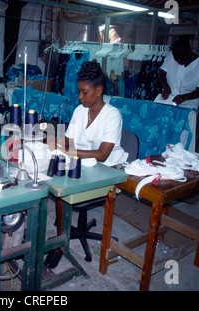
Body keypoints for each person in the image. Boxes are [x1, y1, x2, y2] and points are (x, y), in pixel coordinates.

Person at [44, 59, 127, 269]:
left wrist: (66, 149)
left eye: (84, 92)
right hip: (84, 166)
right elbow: (69, 139)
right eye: (79, 92)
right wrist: (52, 139)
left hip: (106, 172)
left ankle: (58, 246)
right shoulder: (81, 111)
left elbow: (102, 154)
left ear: (98, 90)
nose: (80, 97)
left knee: (62, 188)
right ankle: (62, 229)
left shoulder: (112, 116)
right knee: (54, 177)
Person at [158, 35, 199, 109]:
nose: (179, 61)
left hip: (188, 107)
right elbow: (162, 74)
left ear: (189, 52)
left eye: (182, 58)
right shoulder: (171, 57)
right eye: (176, 59)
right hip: (167, 104)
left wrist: (184, 97)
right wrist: (166, 88)